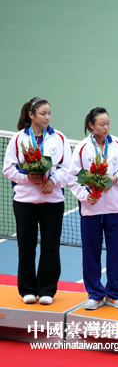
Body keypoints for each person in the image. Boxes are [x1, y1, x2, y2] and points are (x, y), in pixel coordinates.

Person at [2, 97, 71, 305]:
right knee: (26, 246)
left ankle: (47, 290)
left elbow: (67, 169)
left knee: (51, 246)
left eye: (49, 113)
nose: (47, 117)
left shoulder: (59, 138)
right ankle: (28, 290)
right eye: (43, 113)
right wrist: (27, 178)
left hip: (52, 202)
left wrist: (53, 181)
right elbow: (8, 169)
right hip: (25, 202)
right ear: (31, 115)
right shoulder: (18, 139)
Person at [68, 107, 118, 310]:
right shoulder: (82, 148)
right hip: (91, 210)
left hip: (115, 209)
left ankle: (114, 294)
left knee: (115, 253)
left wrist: (115, 178)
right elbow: (72, 177)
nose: (106, 127)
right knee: (91, 253)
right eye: (102, 124)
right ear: (91, 125)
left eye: (108, 123)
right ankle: (94, 293)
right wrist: (85, 195)